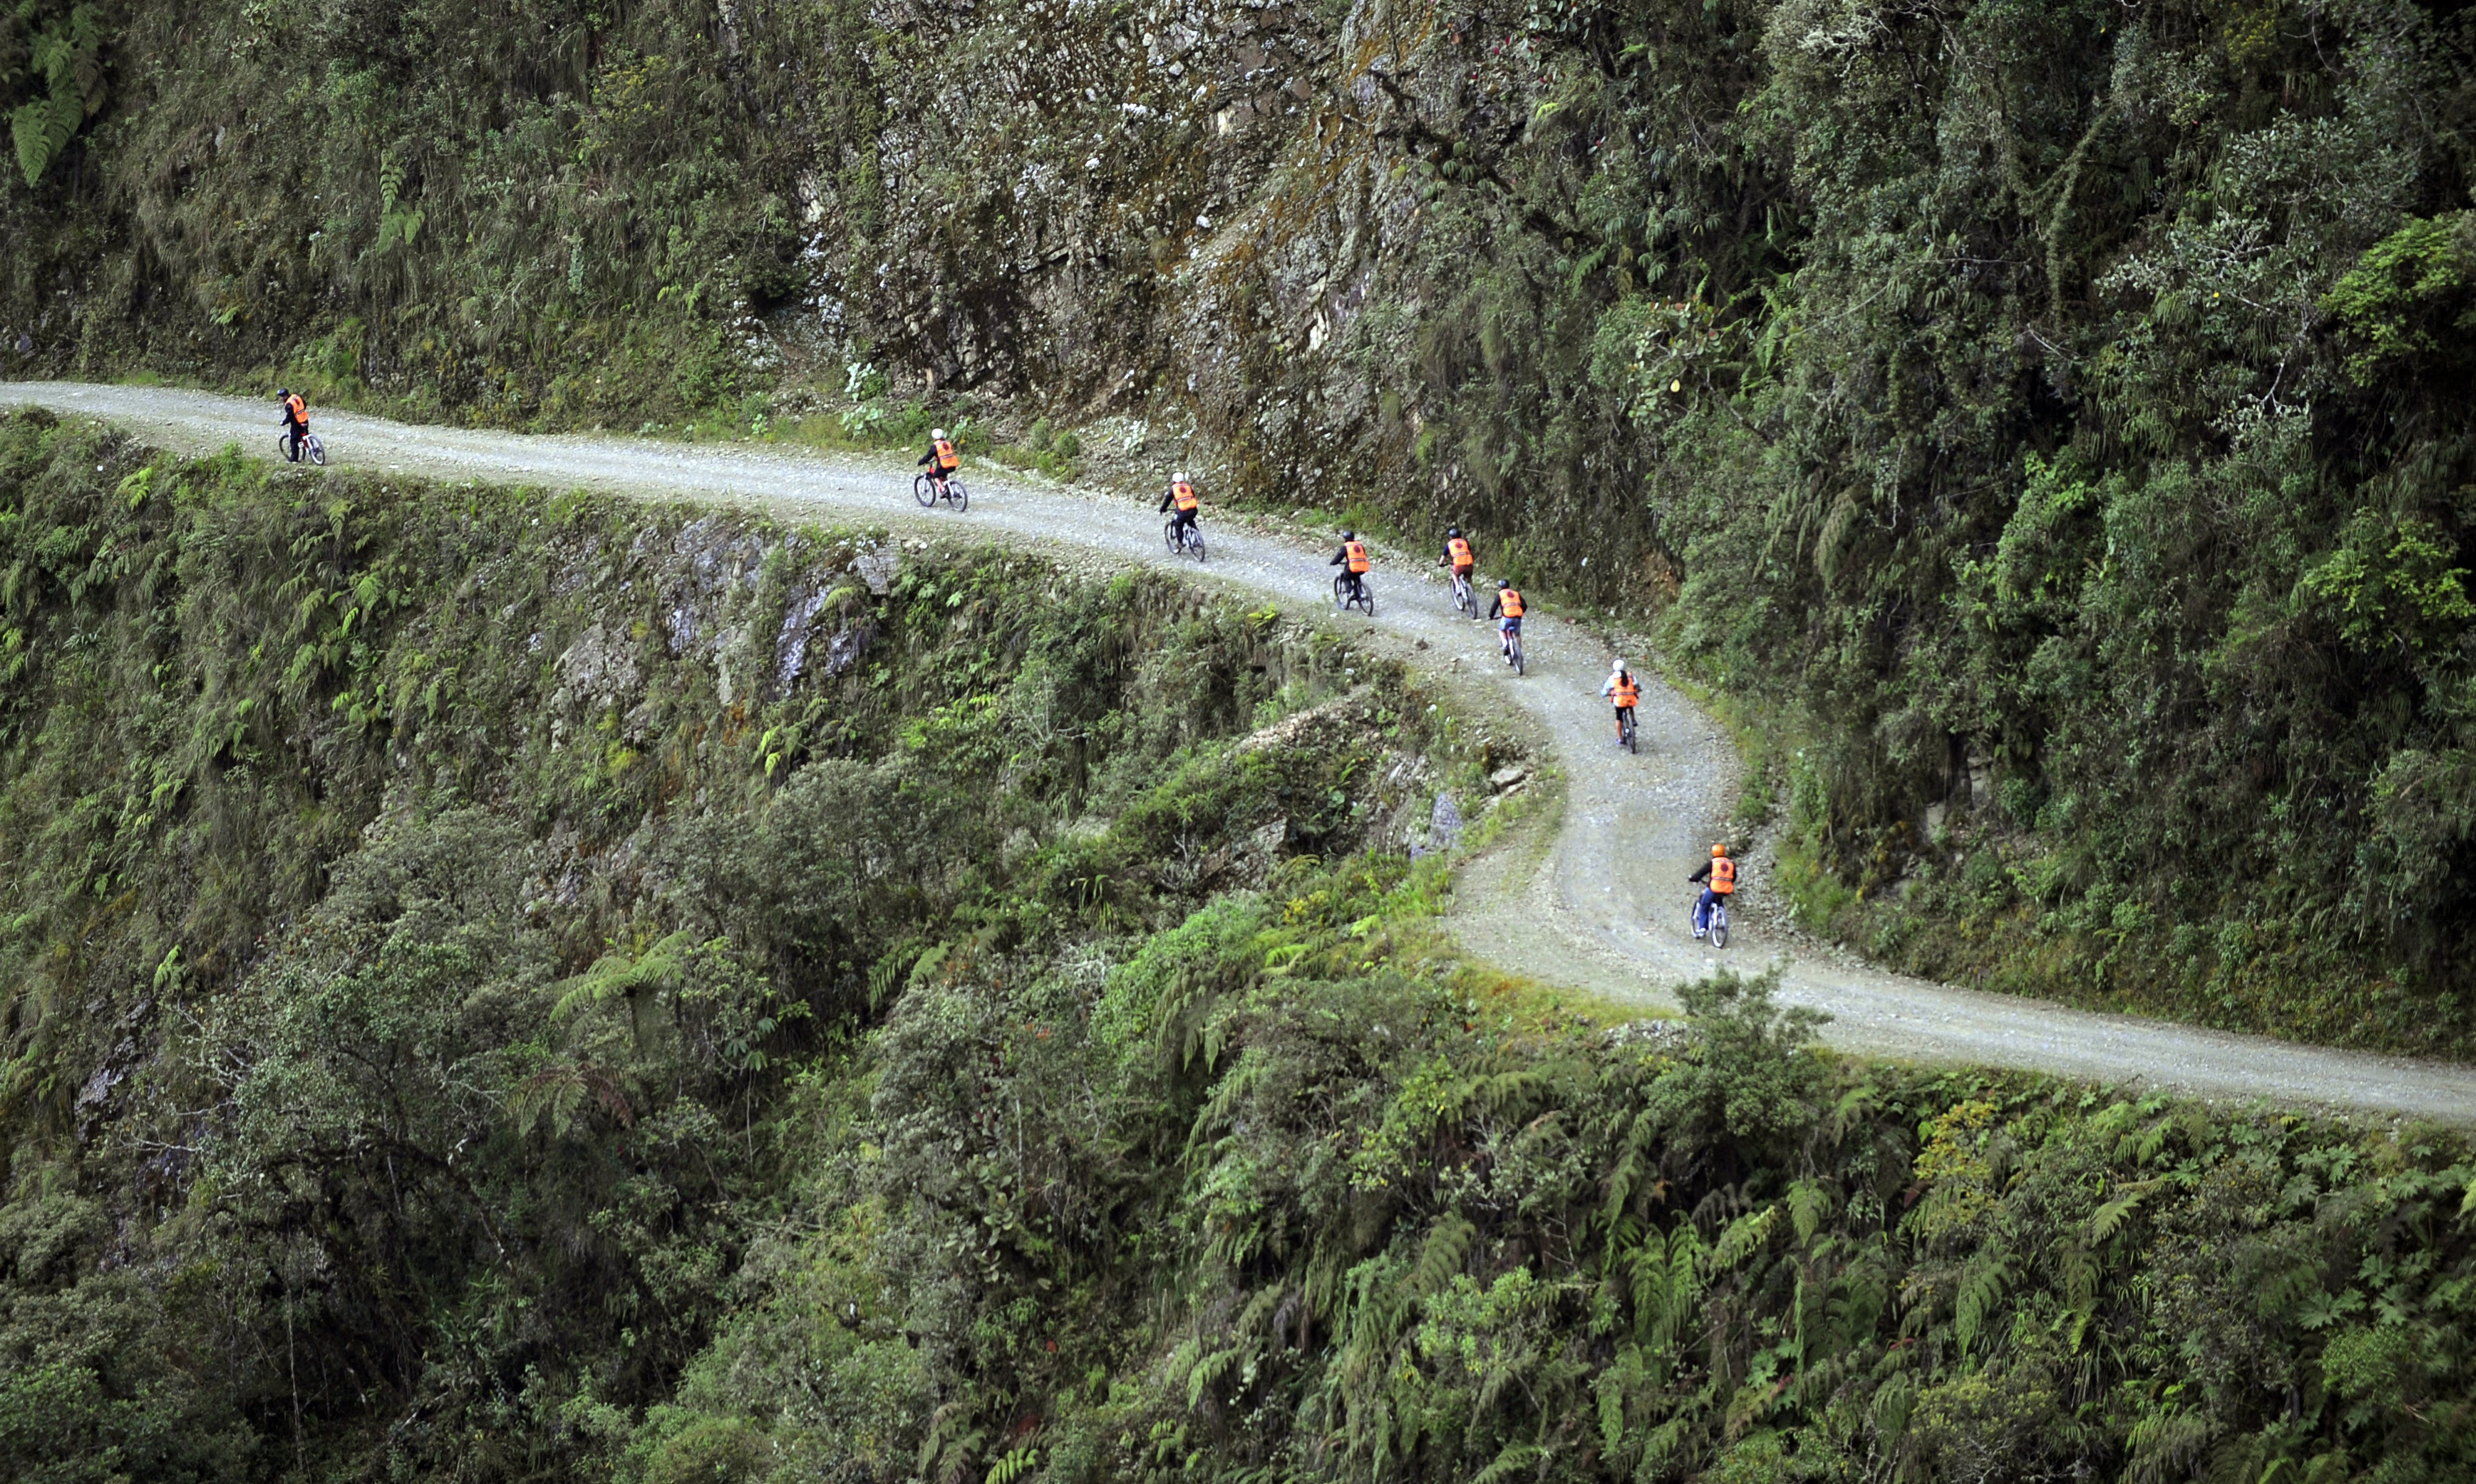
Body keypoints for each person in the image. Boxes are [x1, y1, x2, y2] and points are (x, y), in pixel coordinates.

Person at [1688, 843, 1736, 939]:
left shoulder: (1713, 862)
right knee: (1719, 901)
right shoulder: (1731, 864)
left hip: (1714, 888)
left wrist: (1693, 878)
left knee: (1704, 904)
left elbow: (1701, 873)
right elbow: (1734, 877)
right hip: (1727, 889)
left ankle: (1702, 928)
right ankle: (1721, 918)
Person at [1601, 658, 1640, 744]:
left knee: (1619, 718)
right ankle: (1633, 720)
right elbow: (1637, 686)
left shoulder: (1612, 678)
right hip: (1630, 698)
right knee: (1630, 706)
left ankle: (1620, 739)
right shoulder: (1630, 676)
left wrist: (1604, 694)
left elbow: (1606, 690)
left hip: (1619, 701)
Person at [1330, 529, 1371, 606]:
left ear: (1346, 538)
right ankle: (1361, 593)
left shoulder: (1346, 547)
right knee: (1357, 578)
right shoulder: (1360, 545)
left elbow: (1338, 557)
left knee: (1346, 578)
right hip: (1363, 566)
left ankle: (1351, 592)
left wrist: (1333, 563)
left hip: (1353, 567)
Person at [1160, 470, 1200, 546]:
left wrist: (1163, 508)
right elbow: (1192, 496)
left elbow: (1167, 500)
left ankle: (1180, 543)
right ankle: (1197, 538)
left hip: (1183, 511)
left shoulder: (1174, 489)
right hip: (1194, 509)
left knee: (1178, 525)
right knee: (1190, 521)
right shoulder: (1188, 486)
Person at [1488, 578, 1524, 660]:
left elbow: (1494, 607)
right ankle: (1519, 650)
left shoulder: (1500, 594)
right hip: (1518, 617)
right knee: (1517, 634)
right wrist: (1520, 612)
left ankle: (1505, 644)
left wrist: (1491, 616)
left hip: (1507, 617)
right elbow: (1524, 605)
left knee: (1502, 631)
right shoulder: (1516, 593)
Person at [1439, 527, 1476, 603]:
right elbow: (1469, 551)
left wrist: (1441, 564)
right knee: (1469, 579)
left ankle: (1458, 588)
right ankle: (1472, 593)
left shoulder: (1450, 544)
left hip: (1459, 565)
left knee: (1455, 575)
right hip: (1469, 565)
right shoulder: (1465, 542)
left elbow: (1444, 557)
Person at [917, 426, 961, 491]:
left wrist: (921, 462)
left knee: (935, 476)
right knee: (943, 475)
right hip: (953, 465)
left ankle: (943, 489)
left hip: (944, 465)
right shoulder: (947, 443)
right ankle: (949, 488)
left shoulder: (936, 446)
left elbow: (928, 457)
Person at [278, 387, 309, 462]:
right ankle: (309, 448)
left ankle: (294, 459)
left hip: (297, 422)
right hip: (304, 418)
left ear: (285, 396)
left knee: (294, 440)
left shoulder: (289, 404)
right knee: (305, 435)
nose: (281, 398)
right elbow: (304, 404)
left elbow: (290, 416)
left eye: (282, 397)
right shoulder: (296, 396)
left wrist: (284, 422)